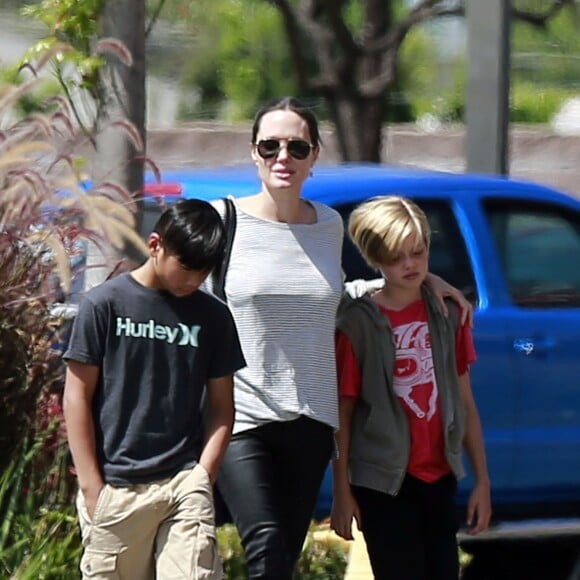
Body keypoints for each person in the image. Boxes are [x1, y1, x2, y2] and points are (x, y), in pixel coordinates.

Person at [208, 96, 474, 580]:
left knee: (286, 551)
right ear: (253, 152)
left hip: (311, 418)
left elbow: (342, 295)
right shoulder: (222, 220)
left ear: (315, 154)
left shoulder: (328, 225)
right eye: (269, 146)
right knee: (265, 545)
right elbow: (180, 291)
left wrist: (418, 279)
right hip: (242, 416)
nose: (282, 157)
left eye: (297, 146)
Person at [62, 199, 246, 580]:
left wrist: (203, 475)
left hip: (182, 484)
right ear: (155, 245)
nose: (194, 280)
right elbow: (76, 396)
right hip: (116, 486)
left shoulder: (213, 317)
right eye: (186, 268)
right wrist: (92, 486)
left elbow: (221, 407)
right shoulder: (103, 305)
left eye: (204, 271)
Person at [331, 195, 492, 580]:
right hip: (383, 483)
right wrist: (342, 490)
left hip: (439, 476)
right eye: (395, 256)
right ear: (374, 257)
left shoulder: (448, 313)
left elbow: (464, 400)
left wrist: (482, 479)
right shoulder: (358, 324)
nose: (409, 265)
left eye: (417, 253)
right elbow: (344, 413)